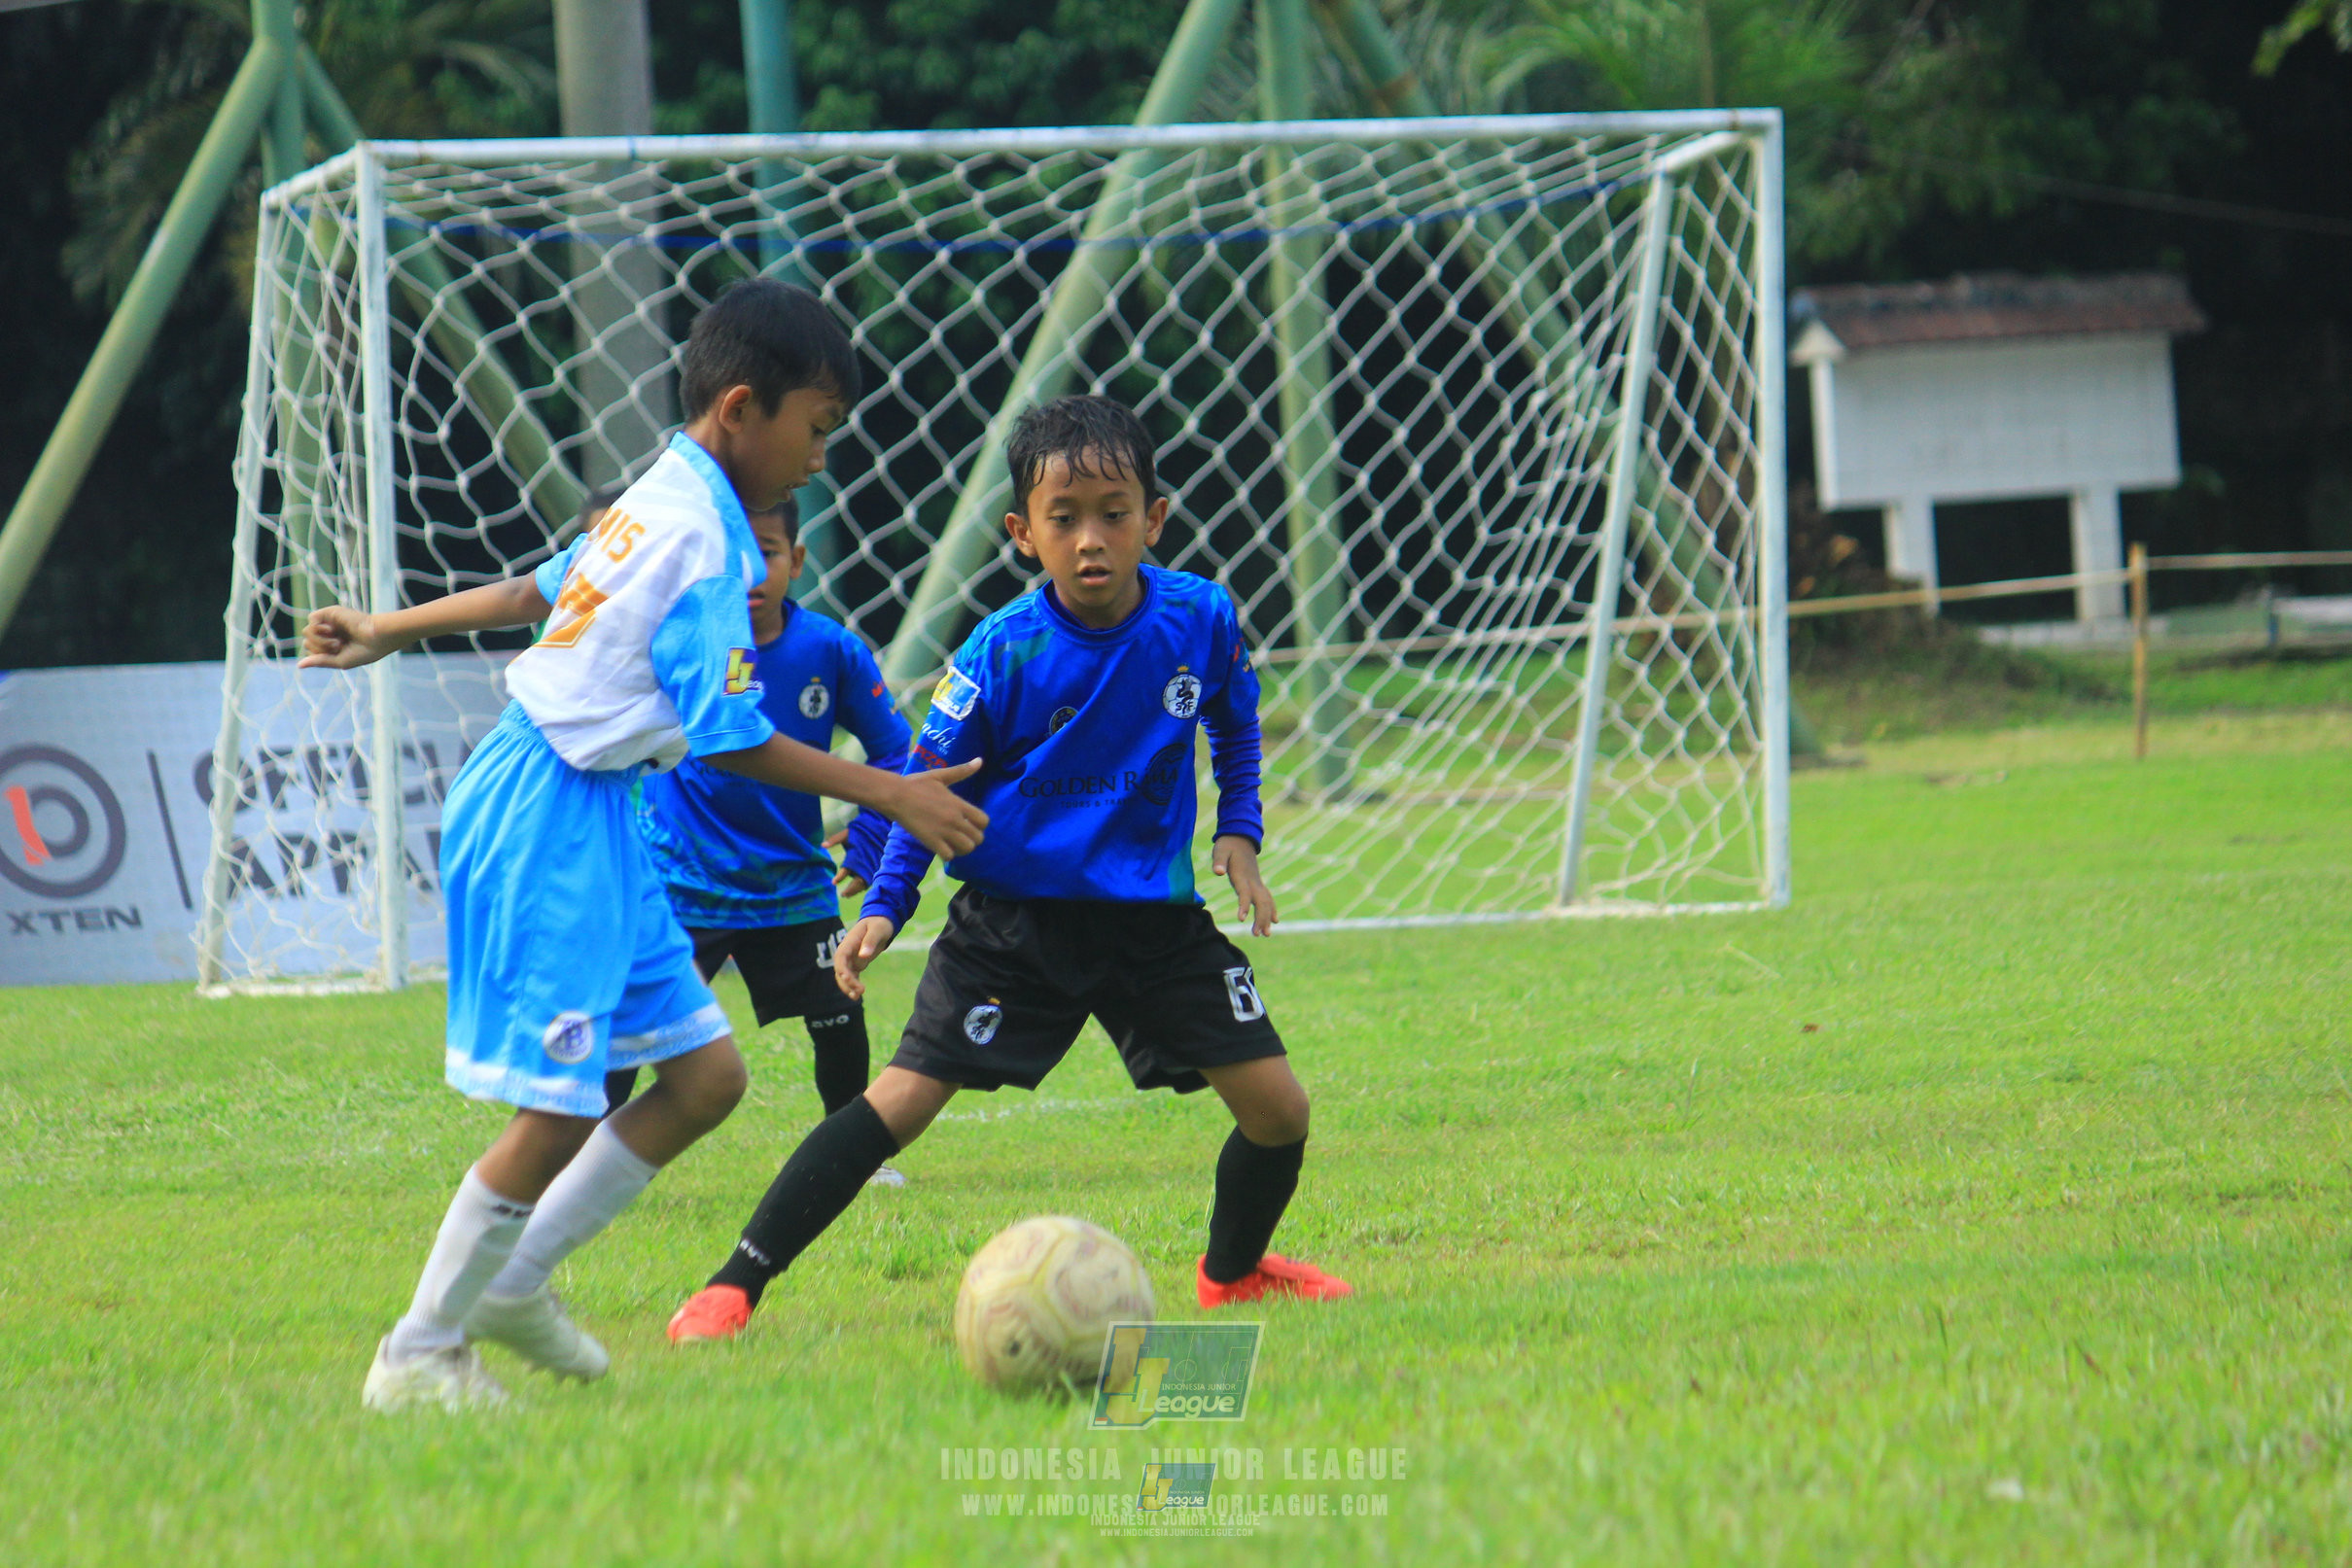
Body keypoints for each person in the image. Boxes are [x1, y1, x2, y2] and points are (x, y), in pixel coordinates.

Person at [297, 279, 988, 1411]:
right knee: (563, 1104)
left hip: (597, 813)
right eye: (814, 430)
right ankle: (419, 1350)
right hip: (549, 810)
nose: (820, 459)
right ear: (739, 408)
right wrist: (889, 790)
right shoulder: (707, 539)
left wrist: (387, 626)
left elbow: (541, 585)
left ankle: (515, 1280)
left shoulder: (665, 484)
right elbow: (728, 737)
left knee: (707, 1075)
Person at [665, 394, 1350, 1344]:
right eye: (1063, 519)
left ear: (1155, 519)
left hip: (1154, 920)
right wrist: (889, 905)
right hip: (1011, 925)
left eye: (1114, 513)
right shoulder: (999, 652)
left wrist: (1239, 829)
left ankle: (1230, 1275)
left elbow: (1234, 712)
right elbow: (923, 783)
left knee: (1278, 1109)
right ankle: (734, 1285)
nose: (1091, 540)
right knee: (896, 1102)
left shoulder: (1200, 617)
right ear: (1023, 534)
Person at [614, 495, 916, 1187]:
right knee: (629, 1021)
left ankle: (852, 1156)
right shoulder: (677, 640)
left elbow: (897, 750)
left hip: (790, 882)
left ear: (797, 559)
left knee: (838, 1011)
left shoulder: (829, 649)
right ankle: (581, 1155)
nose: (748, 572)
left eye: (767, 554)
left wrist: (870, 833)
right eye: (729, 559)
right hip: (680, 880)